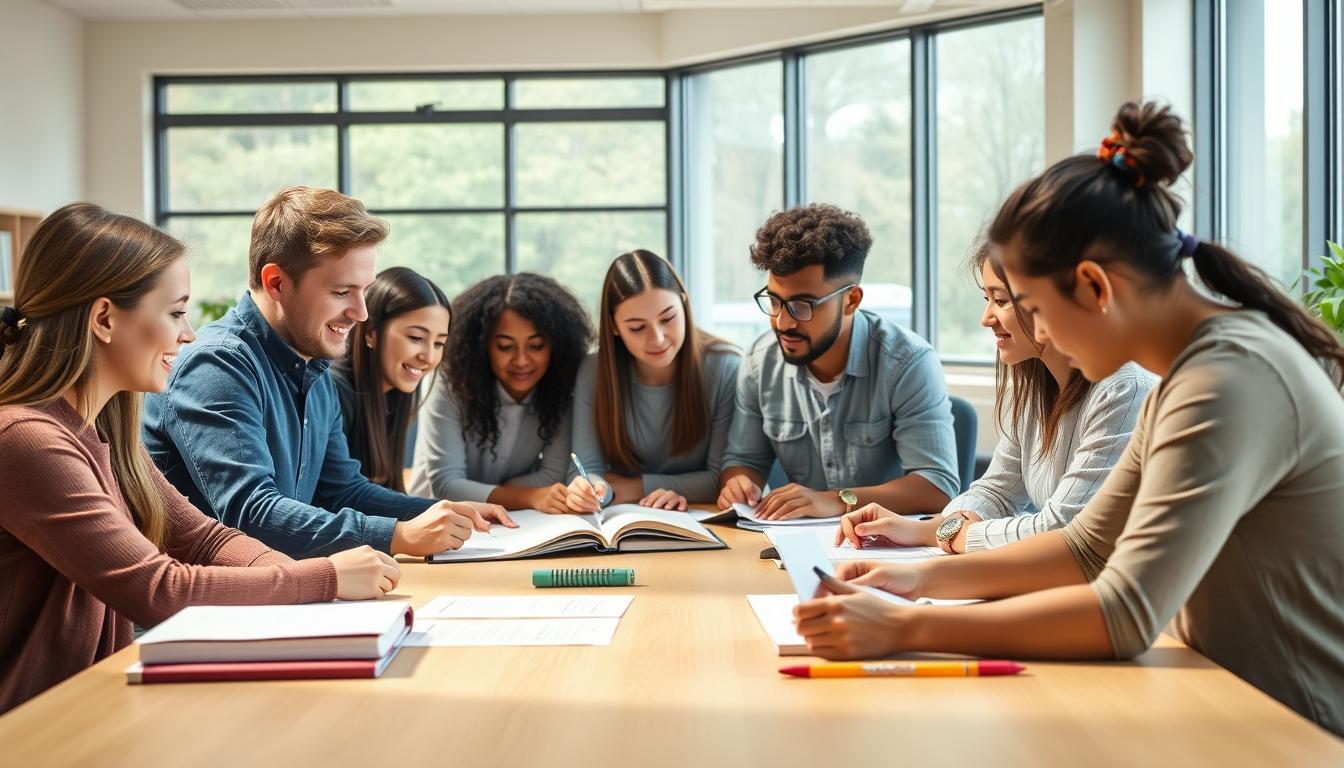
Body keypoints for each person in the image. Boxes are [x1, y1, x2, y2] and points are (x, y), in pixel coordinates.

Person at [793, 102, 1344, 737]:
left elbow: (1124, 612)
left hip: (1295, 729)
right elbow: (1086, 547)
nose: (1038, 332)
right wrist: (918, 577)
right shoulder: (1192, 375)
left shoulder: (1225, 381)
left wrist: (907, 624)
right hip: (1226, 705)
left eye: (1029, 306)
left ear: (1094, 286)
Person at [0, 203, 397, 714]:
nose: (188, 334)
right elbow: (157, 587)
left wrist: (313, 597)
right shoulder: (27, 439)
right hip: (33, 729)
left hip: (91, 705)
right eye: (174, 313)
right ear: (104, 319)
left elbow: (203, 538)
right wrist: (324, 578)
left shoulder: (105, 431)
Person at [143, 187, 514, 559]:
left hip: (275, 593)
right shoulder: (217, 365)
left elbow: (344, 490)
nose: (362, 312)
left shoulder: (313, 366)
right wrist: (399, 535)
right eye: (342, 292)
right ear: (276, 283)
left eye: (363, 291)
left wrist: (438, 513)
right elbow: (250, 514)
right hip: (208, 607)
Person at [835, 240, 1152, 553]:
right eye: (987, 299)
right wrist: (921, 530)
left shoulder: (1124, 391)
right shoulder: (1037, 384)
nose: (985, 318)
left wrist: (955, 537)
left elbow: (1064, 529)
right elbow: (997, 492)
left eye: (1001, 301)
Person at [718, 204, 960, 520]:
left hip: (894, 548)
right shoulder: (759, 361)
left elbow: (937, 487)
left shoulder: (908, 362)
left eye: (802, 306)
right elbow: (743, 459)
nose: (783, 322)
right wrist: (740, 482)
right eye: (775, 301)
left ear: (851, 300)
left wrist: (837, 500)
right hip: (796, 545)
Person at [566, 250, 739, 512]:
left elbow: (722, 479)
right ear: (614, 326)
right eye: (637, 327)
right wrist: (592, 489)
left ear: (684, 304)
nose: (657, 338)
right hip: (624, 520)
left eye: (668, 318)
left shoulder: (725, 366)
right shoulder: (593, 371)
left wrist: (633, 487)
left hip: (702, 518)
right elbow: (586, 469)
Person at [410, 273, 593, 513]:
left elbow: (552, 474)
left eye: (536, 346)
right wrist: (528, 496)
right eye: (505, 346)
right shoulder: (448, 379)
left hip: (519, 522)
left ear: (555, 345)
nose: (521, 360)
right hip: (435, 517)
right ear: (481, 345)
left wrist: (507, 495)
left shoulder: (561, 388)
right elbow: (447, 485)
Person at [330, 266, 450, 492]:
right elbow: (336, 497)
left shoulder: (397, 392)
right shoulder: (334, 391)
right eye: (416, 338)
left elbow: (388, 491)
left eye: (439, 343)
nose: (429, 357)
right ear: (371, 333)